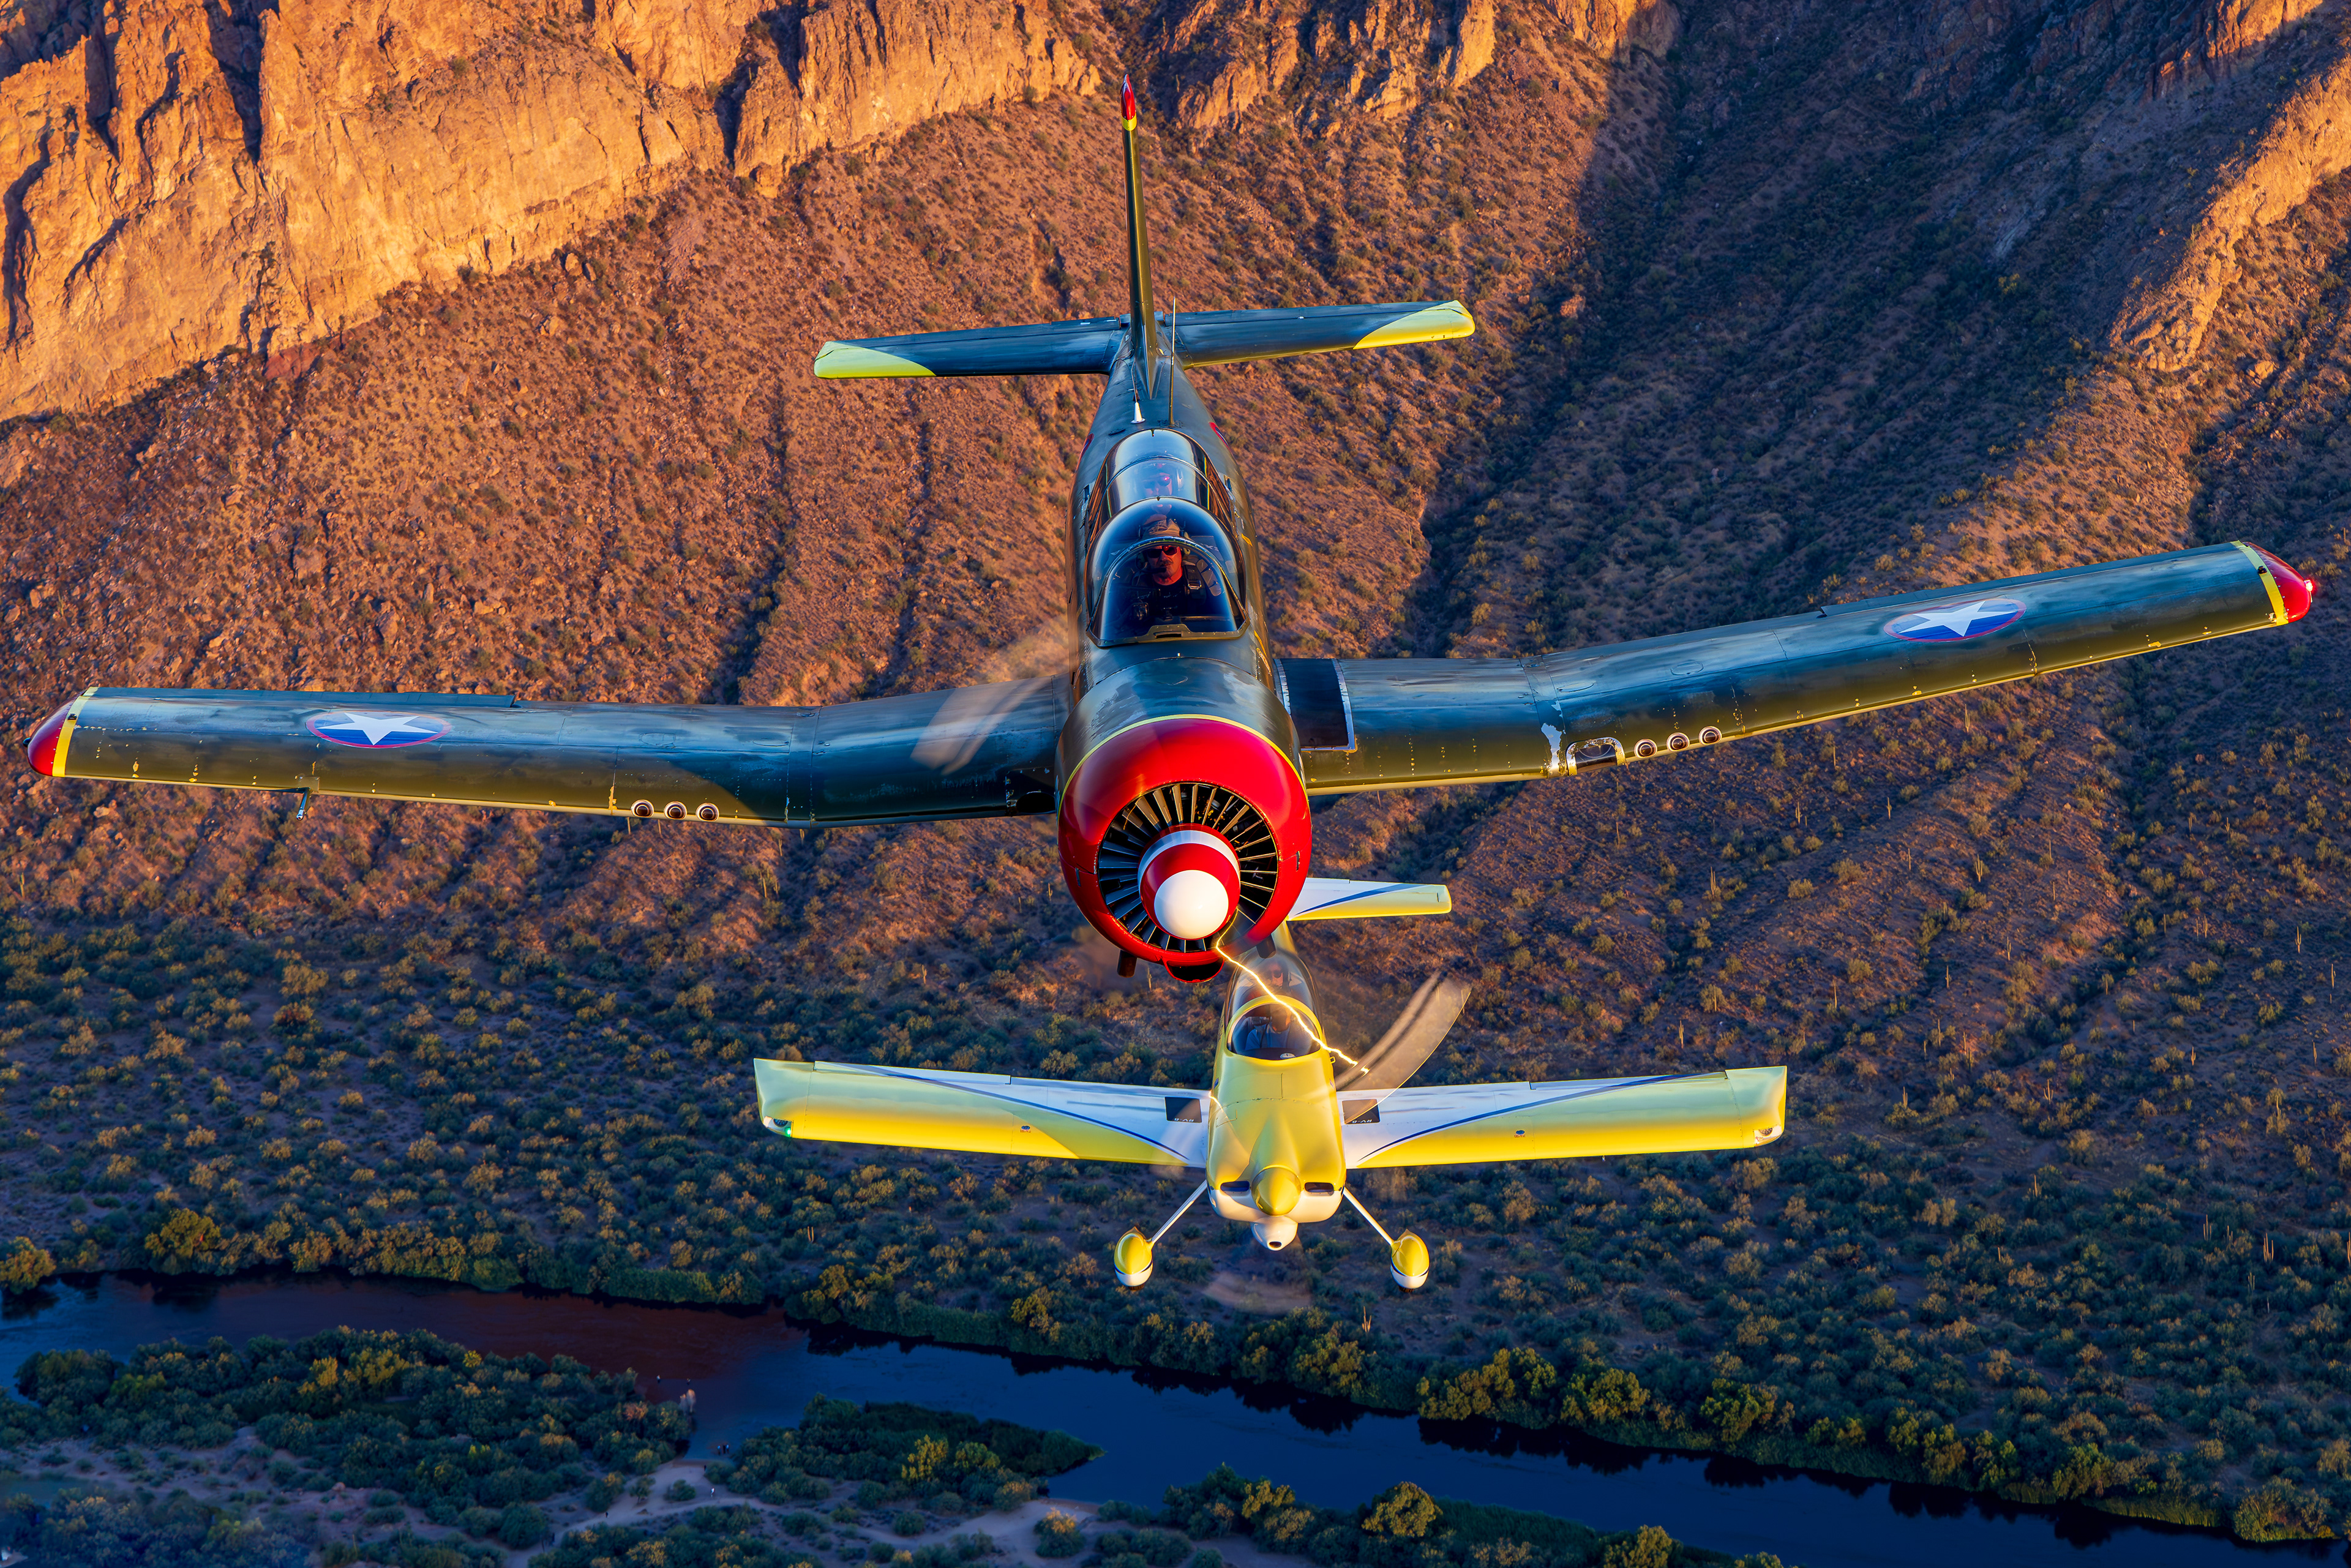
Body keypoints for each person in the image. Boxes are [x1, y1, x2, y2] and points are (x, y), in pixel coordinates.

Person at [1112, 515, 1228, 637]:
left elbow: (1226, 624)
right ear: (1145, 558)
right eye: (1154, 552)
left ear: (1182, 550)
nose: (1163, 558)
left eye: (1170, 549)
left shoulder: (1206, 578)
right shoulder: (1131, 585)